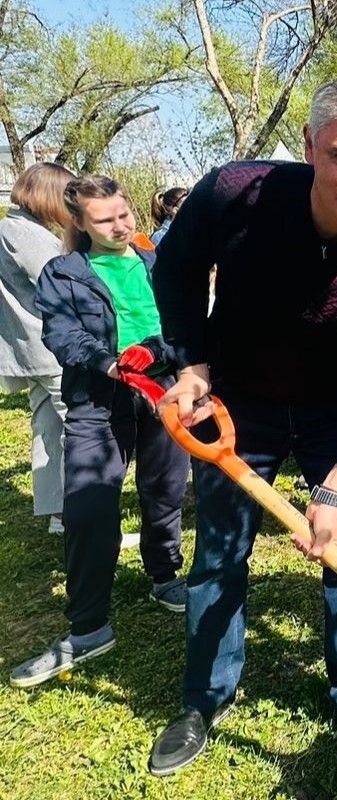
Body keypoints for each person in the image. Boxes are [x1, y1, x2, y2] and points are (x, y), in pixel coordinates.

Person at [146, 77, 337, 775]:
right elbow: (177, 272)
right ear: (309, 146)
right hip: (238, 405)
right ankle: (205, 697)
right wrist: (193, 364)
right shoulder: (234, 195)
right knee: (220, 551)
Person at [10, 174, 189, 689]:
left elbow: (183, 324)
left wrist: (156, 352)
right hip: (98, 399)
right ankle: (89, 626)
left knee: (165, 490)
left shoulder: (158, 262)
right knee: (89, 505)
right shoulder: (62, 273)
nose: (121, 225)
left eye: (124, 212)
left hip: (162, 394)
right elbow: (63, 335)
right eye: (106, 219)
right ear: (81, 224)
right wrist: (109, 363)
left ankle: (165, 575)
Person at [0, 163, 73, 534]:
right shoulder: (26, 235)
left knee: (48, 427)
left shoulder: (9, 229)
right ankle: (79, 515)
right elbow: (65, 284)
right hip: (53, 348)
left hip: (29, 350)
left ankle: (59, 514)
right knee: (79, 428)